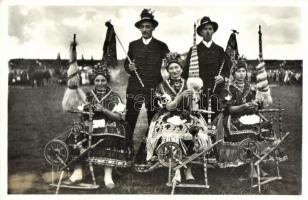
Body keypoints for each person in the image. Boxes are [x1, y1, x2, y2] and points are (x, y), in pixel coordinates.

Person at [64, 63, 133, 189]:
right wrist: (85, 113)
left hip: (109, 122)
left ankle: (108, 175)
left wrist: (104, 110)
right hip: (91, 123)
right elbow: (82, 114)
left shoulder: (114, 96)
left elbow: (118, 117)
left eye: (103, 80)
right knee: (76, 134)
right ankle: (78, 172)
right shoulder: (89, 96)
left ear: (107, 81)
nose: (100, 83)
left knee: (111, 135)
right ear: (93, 81)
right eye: (97, 80)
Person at [146, 52, 211, 183]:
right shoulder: (162, 86)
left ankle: (188, 169)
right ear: (167, 70)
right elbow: (169, 106)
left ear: (181, 69)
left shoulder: (189, 83)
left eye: (177, 67)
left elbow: (195, 104)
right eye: (171, 68)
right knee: (170, 133)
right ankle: (176, 170)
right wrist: (180, 96)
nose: (174, 71)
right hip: (167, 115)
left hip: (187, 114)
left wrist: (194, 100)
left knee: (194, 132)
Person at [123, 9, 169, 162]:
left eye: (147, 26)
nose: (144, 29)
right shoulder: (133, 45)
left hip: (153, 89)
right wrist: (128, 67)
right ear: (139, 28)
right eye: (142, 27)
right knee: (130, 120)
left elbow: (171, 63)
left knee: (154, 121)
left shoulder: (161, 46)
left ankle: (153, 153)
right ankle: (125, 151)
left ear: (153, 28)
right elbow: (126, 63)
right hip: (135, 88)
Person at [183, 16, 230, 120]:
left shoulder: (219, 50)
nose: (208, 32)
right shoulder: (194, 50)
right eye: (205, 29)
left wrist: (222, 77)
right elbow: (186, 72)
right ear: (200, 32)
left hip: (216, 90)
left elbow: (226, 69)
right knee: (200, 118)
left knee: (216, 118)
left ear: (213, 31)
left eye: (210, 29)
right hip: (199, 92)